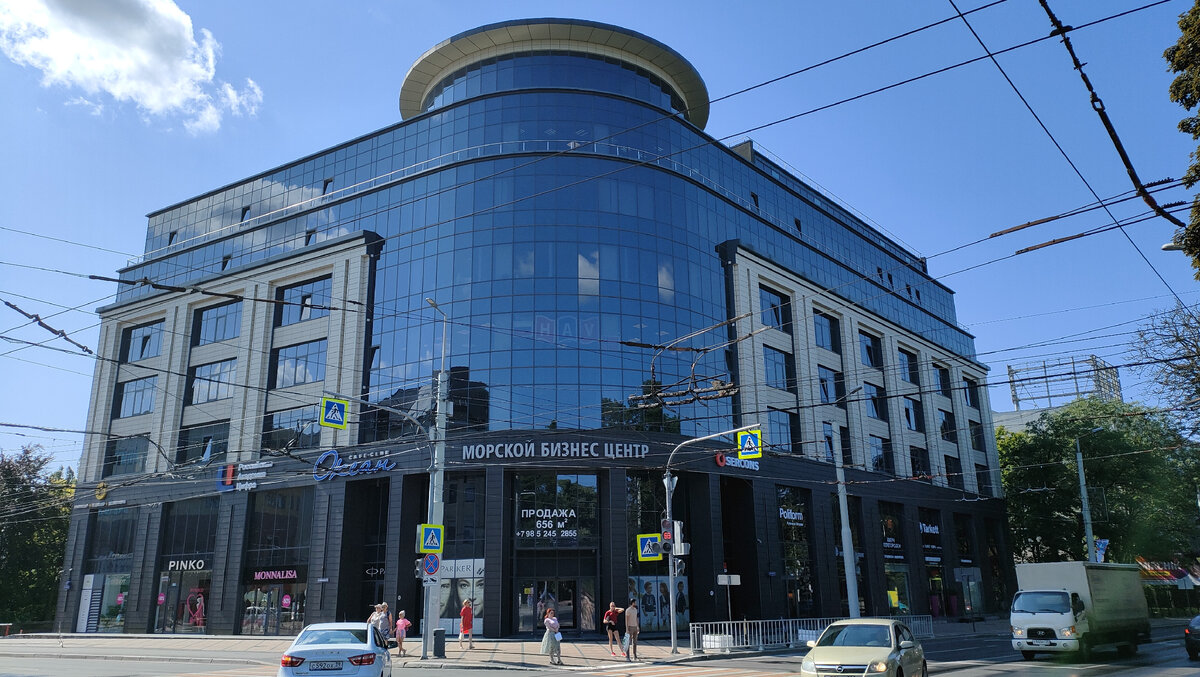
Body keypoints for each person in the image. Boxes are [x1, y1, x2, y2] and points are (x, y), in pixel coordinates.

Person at [624, 597, 640, 662]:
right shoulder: (628, 610)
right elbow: (626, 620)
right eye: (634, 602)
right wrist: (627, 628)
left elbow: (636, 618)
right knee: (628, 642)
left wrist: (637, 626)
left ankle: (635, 655)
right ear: (632, 603)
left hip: (635, 626)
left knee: (635, 642)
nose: (635, 603)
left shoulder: (635, 610)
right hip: (630, 627)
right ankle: (627, 656)